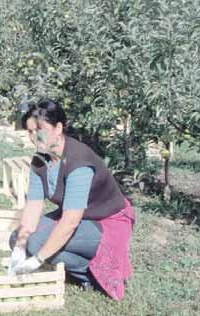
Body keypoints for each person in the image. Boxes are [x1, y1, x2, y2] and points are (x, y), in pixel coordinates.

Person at [8, 100, 135, 300]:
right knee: (17, 239)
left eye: (39, 129)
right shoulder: (40, 160)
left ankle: (91, 274)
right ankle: (78, 269)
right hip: (79, 217)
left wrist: (37, 260)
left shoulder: (78, 161)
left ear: (58, 128)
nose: (34, 137)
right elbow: (33, 206)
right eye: (30, 131)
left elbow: (70, 222)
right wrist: (19, 248)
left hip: (106, 222)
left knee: (37, 243)